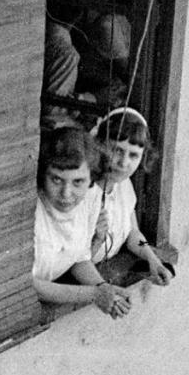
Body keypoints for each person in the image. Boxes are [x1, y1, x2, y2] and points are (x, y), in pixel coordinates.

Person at [32, 126, 134, 319]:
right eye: (56, 179)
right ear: (43, 176)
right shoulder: (31, 210)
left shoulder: (90, 198)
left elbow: (79, 257)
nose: (66, 193)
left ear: (90, 180)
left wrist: (103, 287)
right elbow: (27, 284)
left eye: (77, 182)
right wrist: (94, 294)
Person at [89, 108, 175, 286]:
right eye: (117, 150)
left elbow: (132, 233)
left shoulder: (124, 185)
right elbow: (76, 261)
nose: (124, 162)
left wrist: (153, 261)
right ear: (100, 145)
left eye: (133, 155)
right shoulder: (84, 189)